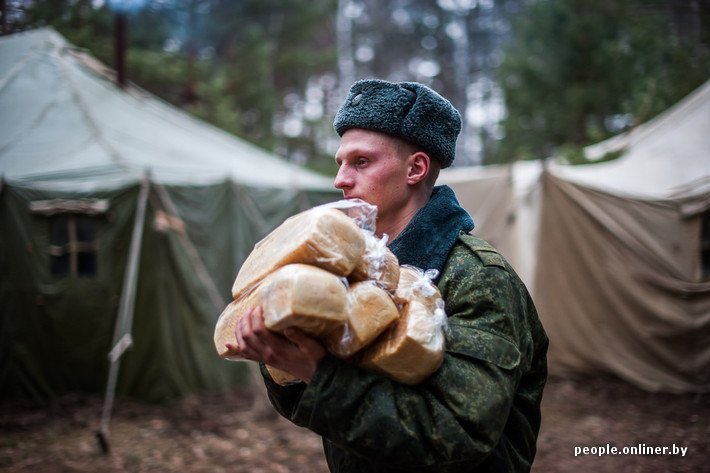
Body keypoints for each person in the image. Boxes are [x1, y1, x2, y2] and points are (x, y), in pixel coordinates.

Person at [227, 79, 548, 472]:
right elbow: (314, 409)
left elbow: (458, 435)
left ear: (416, 168)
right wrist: (282, 357)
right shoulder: (355, 271)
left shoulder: (476, 277)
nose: (340, 179)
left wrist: (317, 372)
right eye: (340, 163)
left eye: (361, 162)